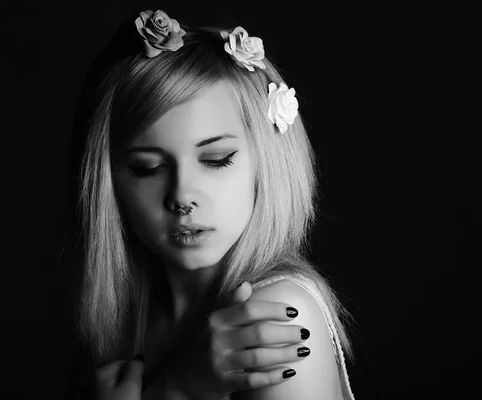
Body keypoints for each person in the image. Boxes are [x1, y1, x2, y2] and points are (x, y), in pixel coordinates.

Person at [63, 7, 358, 400]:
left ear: (267, 160)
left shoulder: (273, 316)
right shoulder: (122, 317)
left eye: (216, 159)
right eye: (147, 167)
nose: (182, 196)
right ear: (108, 182)